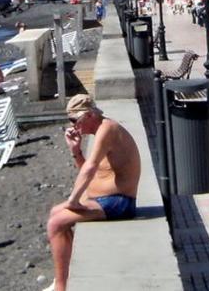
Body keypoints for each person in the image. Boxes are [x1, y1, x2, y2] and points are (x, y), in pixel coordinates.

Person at [47, 95, 141, 291]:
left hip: (120, 202)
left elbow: (90, 170)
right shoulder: (101, 131)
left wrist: (73, 201)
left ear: (89, 115)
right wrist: (76, 150)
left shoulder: (107, 129)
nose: (74, 126)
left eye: (75, 121)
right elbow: (93, 173)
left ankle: (61, 287)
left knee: (56, 223)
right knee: (56, 212)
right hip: (107, 199)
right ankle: (64, 278)